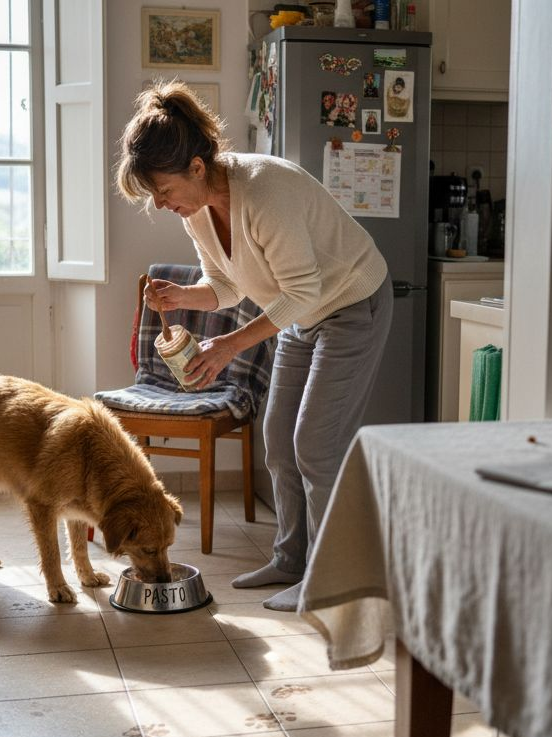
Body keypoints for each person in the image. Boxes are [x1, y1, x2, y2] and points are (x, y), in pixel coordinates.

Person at [116, 81, 393, 612]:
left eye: (162, 189)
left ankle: (331, 577)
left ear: (197, 167)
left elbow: (303, 289)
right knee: (276, 439)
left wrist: (228, 346)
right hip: (304, 314)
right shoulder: (195, 210)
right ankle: (291, 559)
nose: (160, 203)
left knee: (315, 443)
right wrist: (181, 294)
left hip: (353, 302)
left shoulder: (265, 191)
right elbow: (227, 286)